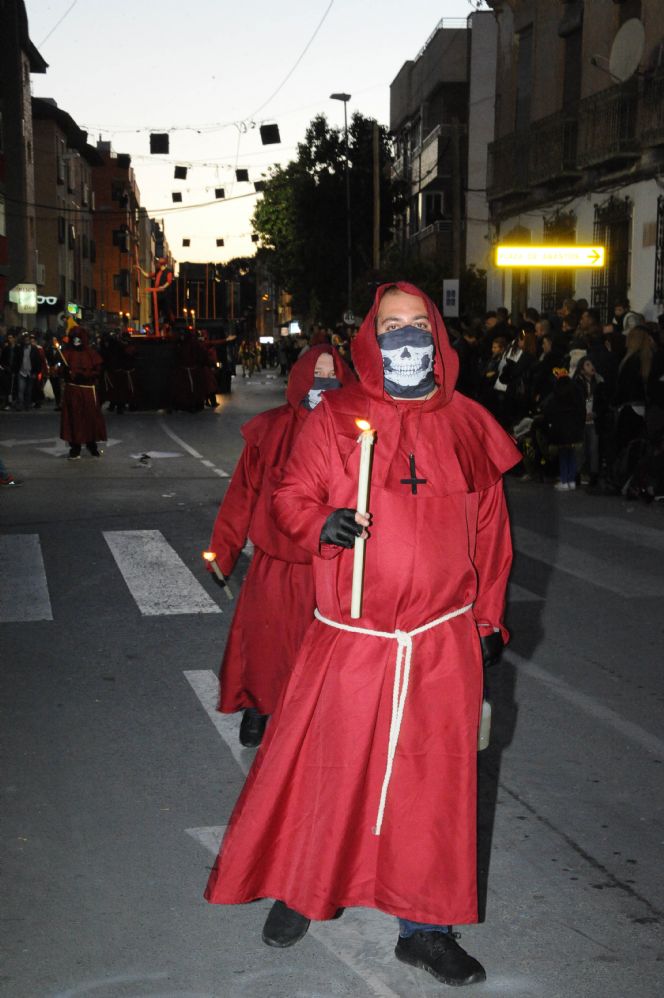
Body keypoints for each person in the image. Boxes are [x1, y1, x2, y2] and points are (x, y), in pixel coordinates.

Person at [204, 282, 520, 987]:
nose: (405, 338)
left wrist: (488, 618)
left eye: (417, 325)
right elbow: (287, 496)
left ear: (437, 337)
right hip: (351, 635)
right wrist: (319, 523)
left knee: (434, 793)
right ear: (370, 341)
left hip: (438, 641)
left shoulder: (468, 424)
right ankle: (301, 889)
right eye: (391, 327)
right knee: (327, 772)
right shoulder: (338, 418)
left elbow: (491, 535)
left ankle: (426, 930)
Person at [206, 346, 353, 746]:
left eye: (332, 372)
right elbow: (243, 494)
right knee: (266, 643)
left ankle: (313, 723)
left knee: (321, 650)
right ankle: (258, 707)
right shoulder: (270, 429)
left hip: (331, 563)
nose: (324, 379)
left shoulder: (356, 431)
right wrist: (223, 551)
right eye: (317, 371)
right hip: (276, 561)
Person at [59, 326, 107, 459]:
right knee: (74, 419)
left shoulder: (91, 353)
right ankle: (75, 447)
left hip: (87, 391)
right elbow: (61, 372)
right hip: (73, 391)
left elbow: (98, 371)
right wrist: (66, 373)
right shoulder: (67, 353)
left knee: (90, 418)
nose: (76, 340)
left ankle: (92, 445)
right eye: (74, 338)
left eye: (78, 338)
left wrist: (84, 375)